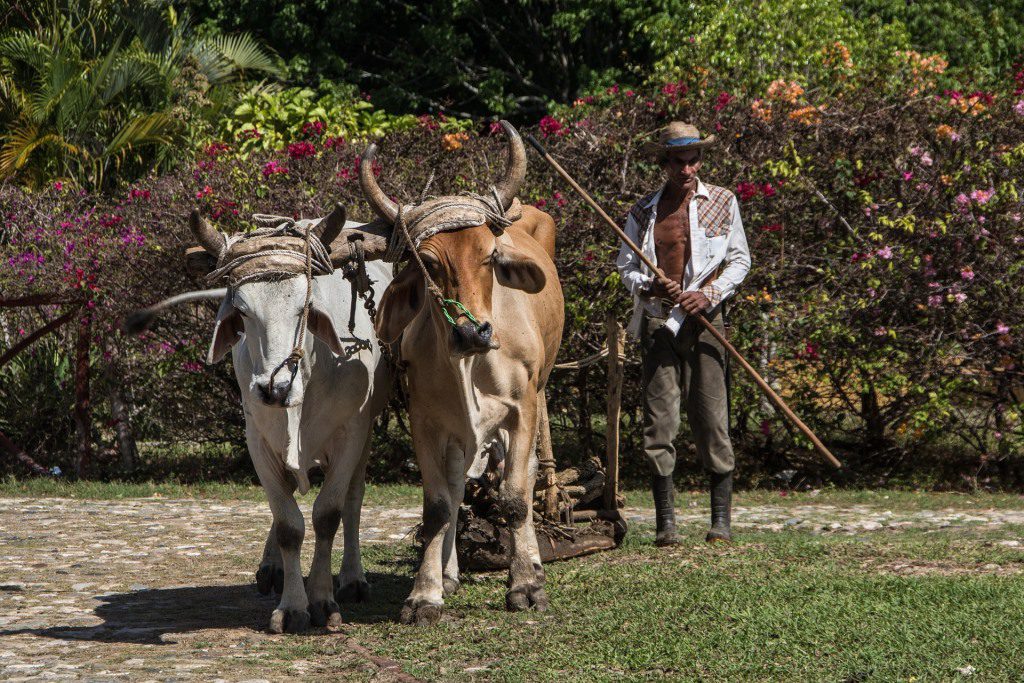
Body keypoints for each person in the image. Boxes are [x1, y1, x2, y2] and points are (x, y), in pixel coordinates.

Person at [617, 121, 751, 545]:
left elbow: (740, 261)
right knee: (659, 423)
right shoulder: (643, 212)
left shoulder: (724, 202)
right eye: (679, 161)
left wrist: (708, 294)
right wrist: (648, 284)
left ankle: (720, 523)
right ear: (664, 162)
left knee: (712, 419)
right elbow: (625, 267)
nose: (687, 169)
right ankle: (666, 526)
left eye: (694, 160)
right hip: (659, 323)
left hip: (707, 323)